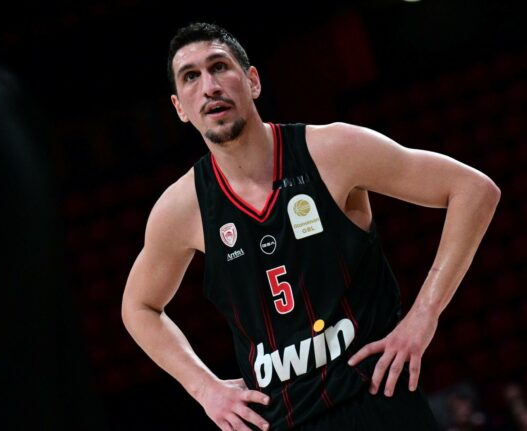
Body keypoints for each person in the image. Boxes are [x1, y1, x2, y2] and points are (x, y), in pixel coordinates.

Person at [121, 22, 500, 431]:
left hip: (377, 404)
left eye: (219, 67)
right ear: (179, 107)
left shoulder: (332, 151)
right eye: (191, 77)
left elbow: (474, 190)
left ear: (252, 81)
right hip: (282, 419)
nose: (209, 87)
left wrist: (425, 314)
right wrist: (203, 387)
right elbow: (138, 307)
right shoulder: (182, 208)